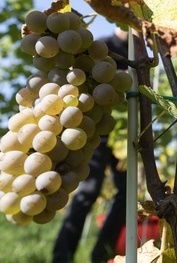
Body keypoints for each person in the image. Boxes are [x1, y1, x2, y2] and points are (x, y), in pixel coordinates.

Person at [52, 28, 129, 263]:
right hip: (94, 132)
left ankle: (101, 254)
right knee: (88, 192)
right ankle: (62, 257)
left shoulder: (139, 53)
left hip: (124, 134)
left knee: (126, 195)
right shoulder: (100, 48)